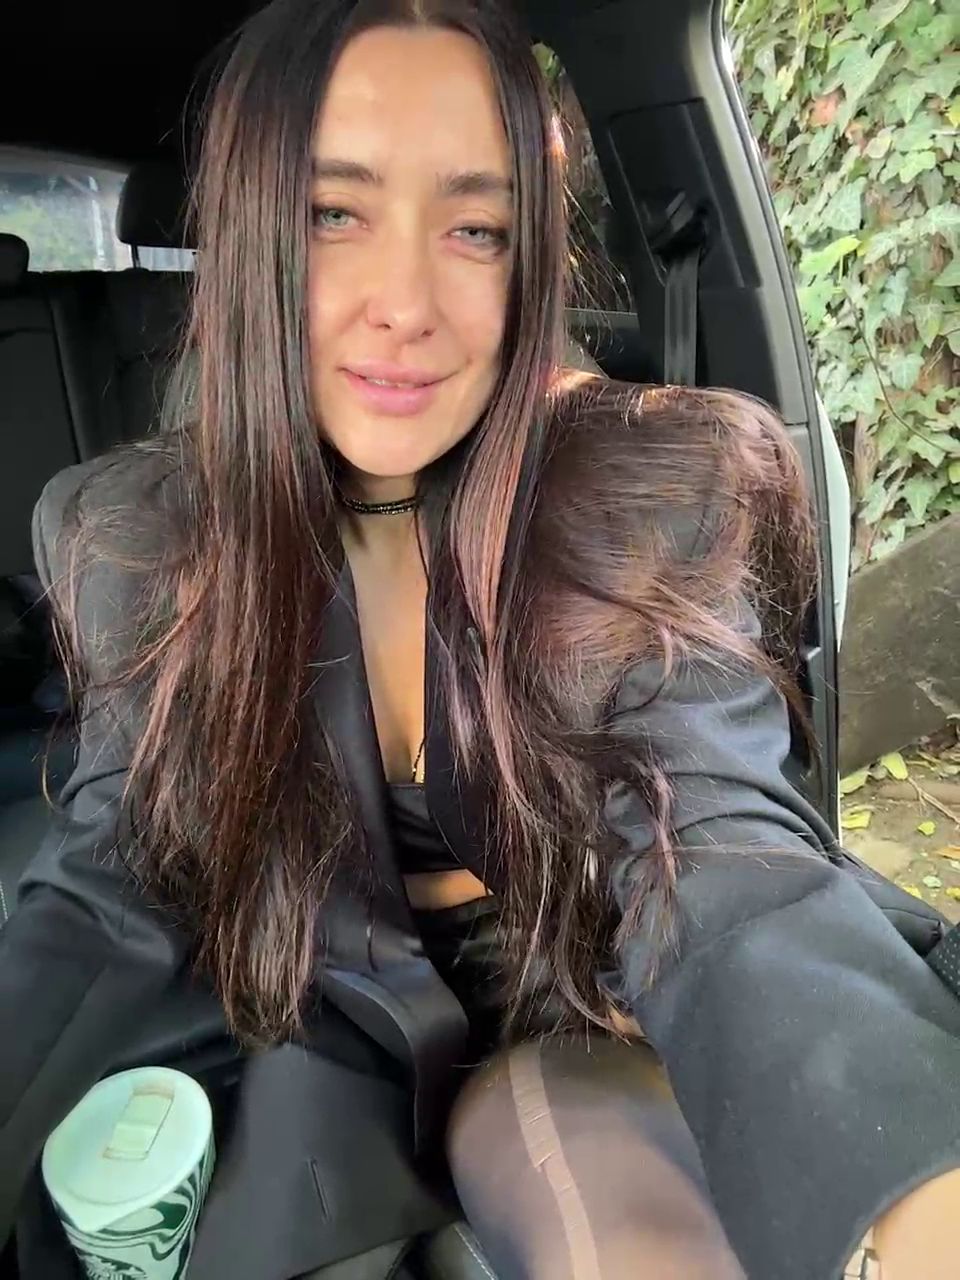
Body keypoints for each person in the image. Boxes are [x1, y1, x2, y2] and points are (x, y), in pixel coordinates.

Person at [2, 1, 959, 1277]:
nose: (406, 303)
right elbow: (107, 882)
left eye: (474, 229)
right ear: (241, 233)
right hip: (321, 1029)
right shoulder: (137, 534)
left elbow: (721, 856)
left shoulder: (651, 487)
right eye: (331, 213)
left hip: (604, 1003)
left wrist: (916, 1179)